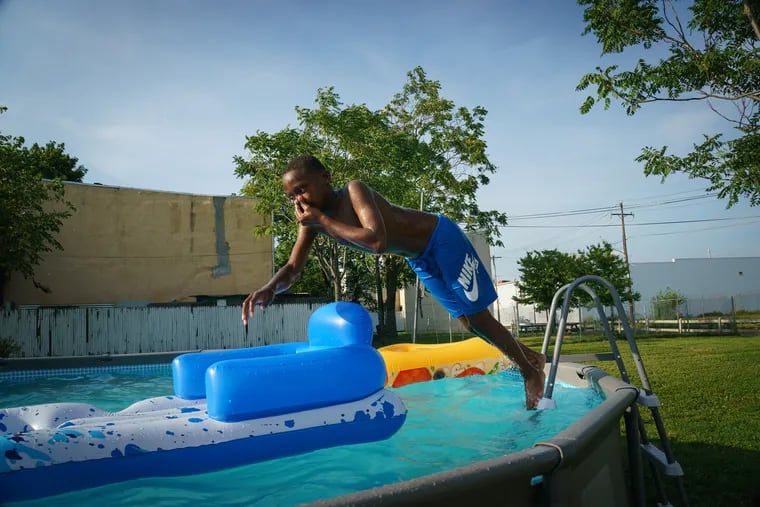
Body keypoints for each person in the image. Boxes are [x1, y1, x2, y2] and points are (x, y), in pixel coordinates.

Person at [242, 155, 546, 409]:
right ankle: (532, 357)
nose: (298, 199)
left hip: (441, 238)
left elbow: (376, 239)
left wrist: (322, 222)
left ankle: (529, 371)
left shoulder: (354, 191)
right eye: (292, 196)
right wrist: (270, 287)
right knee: (468, 323)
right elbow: (293, 268)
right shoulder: (314, 222)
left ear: (325, 177)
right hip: (419, 258)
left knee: (479, 317)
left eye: (302, 189)